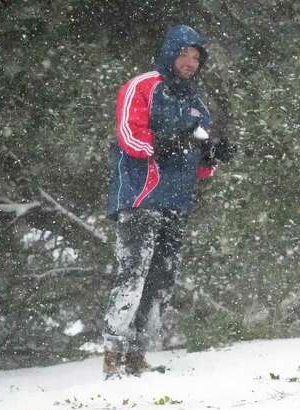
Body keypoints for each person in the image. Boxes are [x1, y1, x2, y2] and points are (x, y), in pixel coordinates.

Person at [102, 25, 235, 379]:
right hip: (140, 196)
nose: (190, 63)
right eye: (184, 54)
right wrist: (168, 143)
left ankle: (136, 354)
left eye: (196, 57)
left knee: (161, 280)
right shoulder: (143, 86)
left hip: (176, 202)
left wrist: (213, 154)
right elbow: (130, 137)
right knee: (133, 275)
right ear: (170, 53)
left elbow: (202, 170)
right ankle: (112, 354)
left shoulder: (196, 103)